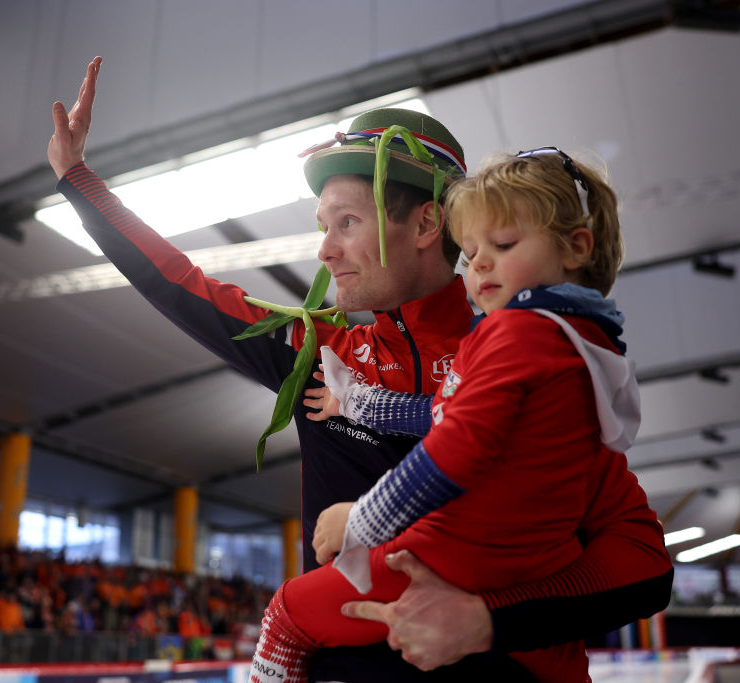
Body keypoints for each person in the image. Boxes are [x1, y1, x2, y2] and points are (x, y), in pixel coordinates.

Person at [47, 57, 672, 679]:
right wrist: (79, 180)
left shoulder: (528, 358)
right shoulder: (318, 352)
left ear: (427, 223)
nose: (324, 250)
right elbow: (182, 285)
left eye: (346, 222)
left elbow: (641, 565)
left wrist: (489, 618)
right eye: (324, 227)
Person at [248, 148, 668, 682]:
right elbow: (442, 415)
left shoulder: (511, 334)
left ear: (425, 226)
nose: (482, 265)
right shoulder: (582, 356)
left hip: (448, 563)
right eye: (472, 254)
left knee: (287, 612)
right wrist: (355, 401)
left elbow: (453, 445)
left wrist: (361, 522)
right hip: (525, 605)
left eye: (503, 245)